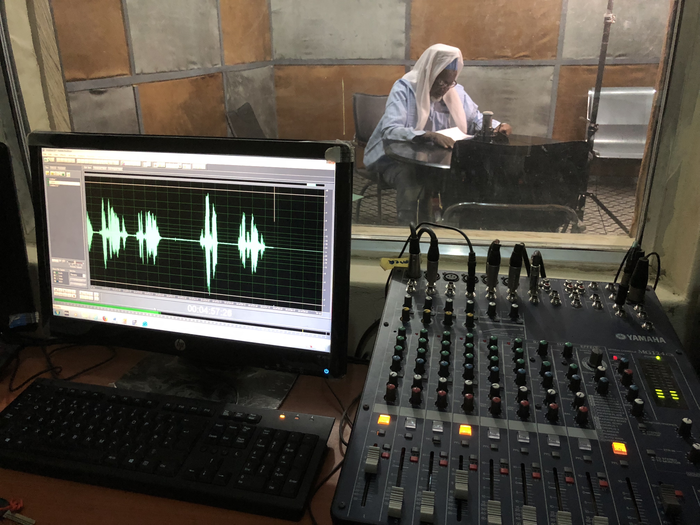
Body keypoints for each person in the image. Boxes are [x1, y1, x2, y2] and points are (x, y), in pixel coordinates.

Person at [363, 43, 512, 225]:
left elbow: (475, 119)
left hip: (438, 161)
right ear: (430, 73)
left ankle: (455, 226)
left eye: (451, 82)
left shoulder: (455, 91)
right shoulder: (405, 89)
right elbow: (390, 129)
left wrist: (497, 126)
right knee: (412, 180)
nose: (446, 88)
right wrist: (428, 135)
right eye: (442, 81)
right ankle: (409, 232)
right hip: (397, 159)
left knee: (471, 176)